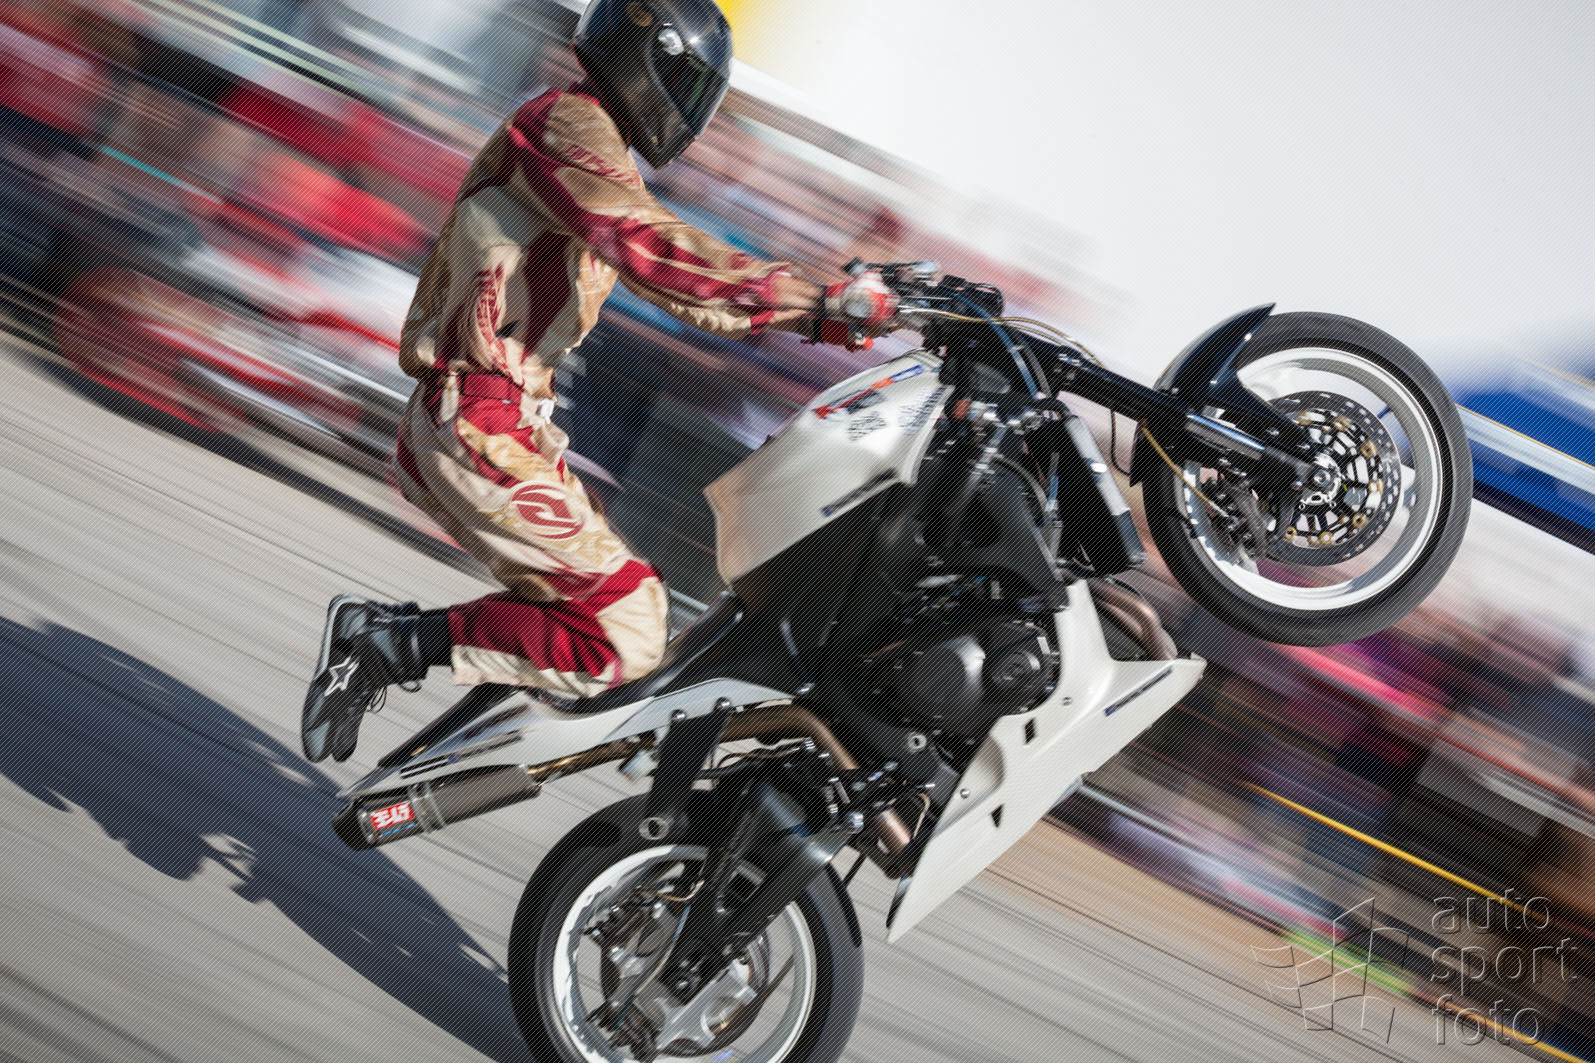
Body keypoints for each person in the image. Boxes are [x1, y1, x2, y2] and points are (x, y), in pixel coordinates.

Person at [300, 0, 899, 762]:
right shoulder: (565, 126)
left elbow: (679, 286)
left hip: (505, 423)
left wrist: (817, 315)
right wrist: (819, 299)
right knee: (627, 625)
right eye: (685, 83)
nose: (691, 110)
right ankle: (388, 643)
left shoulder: (589, 139)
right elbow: (651, 247)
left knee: (622, 615)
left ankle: (404, 651)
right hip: (477, 422)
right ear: (642, 58)